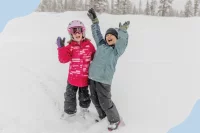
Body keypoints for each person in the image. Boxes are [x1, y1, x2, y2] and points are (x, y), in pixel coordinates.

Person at [87, 8, 130, 131]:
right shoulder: (101, 45)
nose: (109, 36)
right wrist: (95, 22)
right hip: (92, 77)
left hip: (104, 80)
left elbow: (123, 43)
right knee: (95, 99)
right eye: (108, 35)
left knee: (105, 101)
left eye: (112, 35)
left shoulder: (116, 51)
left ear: (116, 39)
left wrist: (122, 31)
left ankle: (115, 120)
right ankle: (103, 117)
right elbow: (97, 34)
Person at [56, 20, 96, 118]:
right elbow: (63, 60)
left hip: (85, 78)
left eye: (79, 30)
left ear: (83, 32)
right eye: (74, 31)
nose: (77, 33)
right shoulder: (70, 47)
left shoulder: (89, 46)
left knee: (84, 96)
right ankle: (69, 112)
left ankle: (84, 110)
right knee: (70, 96)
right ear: (71, 34)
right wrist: (61, 48)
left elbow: (95, 58)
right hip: (72, 78)